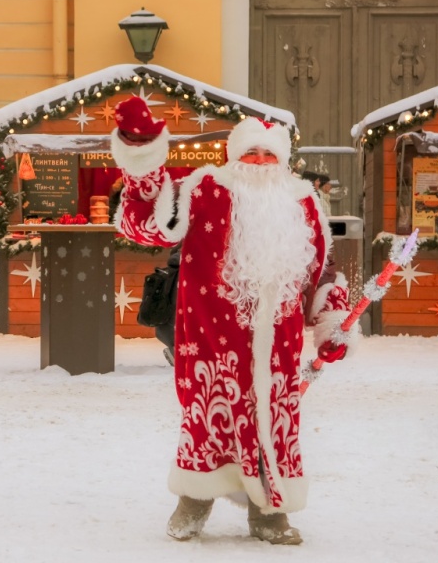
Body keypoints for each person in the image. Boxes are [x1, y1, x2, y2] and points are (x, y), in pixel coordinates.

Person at [111, 97, 357, 545]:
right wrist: (141, 150)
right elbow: (144, 223)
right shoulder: (204, 188)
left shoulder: (303, 200)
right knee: (207, 420)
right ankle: (193, 500)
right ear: (233, 155)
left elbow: (323, 269)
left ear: (282, 160)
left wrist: (331, 323)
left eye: (268, 154)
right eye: (250, 152)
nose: (259, 162)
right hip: (211, 339)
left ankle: (268, 514)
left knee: (274, 422)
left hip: (278, 347)